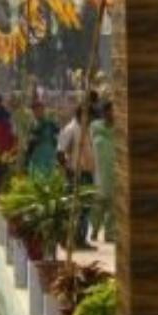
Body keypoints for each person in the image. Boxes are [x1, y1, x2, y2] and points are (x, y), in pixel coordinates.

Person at [57, 103, 96, 248]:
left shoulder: (87, 129)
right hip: (75, 174)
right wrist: (68, 171)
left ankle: (81, 239)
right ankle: (69, 239)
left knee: (85, 209)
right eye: (90, 116)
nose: (92, 119)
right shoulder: (71, 129)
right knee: (74, 209)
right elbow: (60, 153)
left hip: (87, 173)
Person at [89, 102, 116, 243]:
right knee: (98, 203)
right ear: (105, 112)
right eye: (110, 111)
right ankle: (94, 229)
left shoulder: (119, 129)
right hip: (98, 171)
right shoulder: (95, 127)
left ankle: (110, 233)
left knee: (113, 204)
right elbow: (88, 145)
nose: (113, 114)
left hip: (114, 171)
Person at [24, 96, 59, 178]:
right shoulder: (33, 124)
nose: (36, 112)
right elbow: (30, 140)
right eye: (34, 110)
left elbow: (57, 136)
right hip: (36, 156)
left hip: (48, 155)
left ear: (43, 110)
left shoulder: (50, 123)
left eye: (39, 110)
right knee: (37, 176)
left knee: (47, 176)